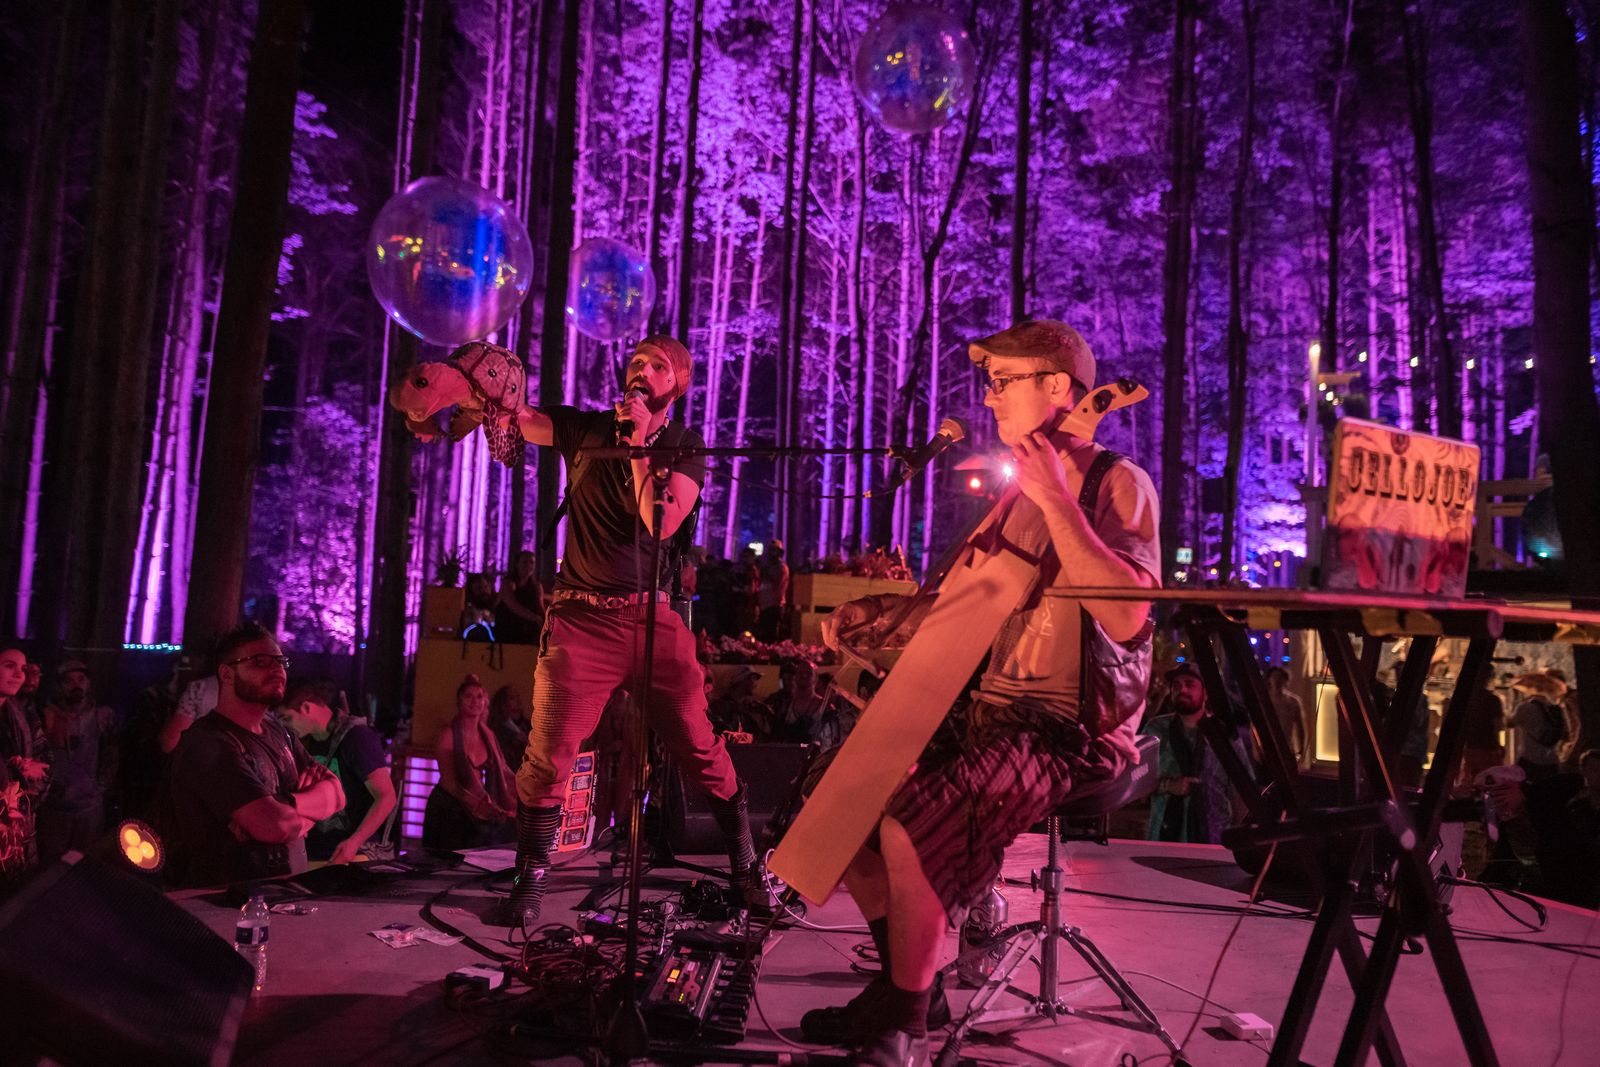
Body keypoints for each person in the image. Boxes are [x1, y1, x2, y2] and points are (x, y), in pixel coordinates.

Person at [811, 319, 1160, 1064]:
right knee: (838, 797)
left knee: (917, 817)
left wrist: (1059, 500)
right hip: (992, 712)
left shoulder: (1115, 482)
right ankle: (909, 984)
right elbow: (964, 608)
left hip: (1069, 730)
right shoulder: (1014, 495)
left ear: (1058, 389)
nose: (990, 397)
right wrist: (881, 614)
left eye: (1004, 381)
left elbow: (1129, 613)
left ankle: (904, 1026)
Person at [504, 335, 764, 927]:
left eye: (657, 365)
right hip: (580, 621)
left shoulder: (683, 445)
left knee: (701, 749)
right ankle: (530, 875)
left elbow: (660, 520)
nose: (641, 369)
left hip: (652, 619)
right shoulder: (585, 429)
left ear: (678, 384)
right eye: (635, 361)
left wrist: (641, 442)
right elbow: (521, 420)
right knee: (549, 757)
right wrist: (473, 392)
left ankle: (746, 863)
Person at [161, 623, 344, 887]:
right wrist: (308, 811)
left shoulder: (281, 733)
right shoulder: (209, 743)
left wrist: (286, 805)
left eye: (280, 662)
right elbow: (274, 825)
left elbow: (336, 794)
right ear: (226, 674)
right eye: (260, 662)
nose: (277, 670)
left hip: (286, 896)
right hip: (226, 901)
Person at [278, 678, 396, 864]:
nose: (285, 726)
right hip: (317, 849)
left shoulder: (357, 737)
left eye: (287, 718)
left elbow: (387, 796)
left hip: (359, 849)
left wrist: (354, 842)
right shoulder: (304, 743)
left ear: (306, 707)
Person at [1140, 663, 1249, 844]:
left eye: (1189, 684)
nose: (1182, 690)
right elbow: (1135, 782)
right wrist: (1168, 786)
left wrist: (1238, 840)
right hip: (1163, 840)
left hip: (1214, 840)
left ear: (1205, 693)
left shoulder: (1224, 734)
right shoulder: (1155, 730)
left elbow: (1240, 791)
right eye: (1176, 685)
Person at [422, 675, 517, 850]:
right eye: (468, 696)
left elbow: (503, 771)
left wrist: (525, 788)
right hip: (449, 809)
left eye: (479, 696)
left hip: (477, 812)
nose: (475, 702)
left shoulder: (487, 734)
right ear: (459, 701)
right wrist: (479, 805)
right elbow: (450, 783)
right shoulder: (448, 735)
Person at [38, 661, 118, 863]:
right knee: (51, 865)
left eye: (81, 679)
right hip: (55, 808)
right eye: (69, 681)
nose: (76, 685)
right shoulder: (46, 716)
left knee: (86, 863)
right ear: (59, 686)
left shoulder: (101, 717)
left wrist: (100, 787)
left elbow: (112, 753)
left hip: (89, 807)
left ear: (88, 684)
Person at [1, 648, 48, 884]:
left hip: (18, 826)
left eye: (23, 669)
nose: (20, 675)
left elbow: (45, 763)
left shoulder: (25, 716)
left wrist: (29, 787)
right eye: (10, 666)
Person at [1510, 670, 1568, 782]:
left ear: (1530, 689)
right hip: (1551, 760)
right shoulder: (1556, 709)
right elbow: (1565, 732)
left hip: (1529, 759)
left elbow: (1509, 723)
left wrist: (1515, 701)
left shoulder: (1525, 708)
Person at [769, 658, 826, 744]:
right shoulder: (785, 705)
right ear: (795, 677)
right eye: (800, 673)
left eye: (808, 673)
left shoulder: (825, 706)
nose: (804, 676)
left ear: (816, 678)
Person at [496, 550, 546, 645]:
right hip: (508, 626)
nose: (528, 566)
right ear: (517, 564)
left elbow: (540, 607)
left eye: (532, 562)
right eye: (525, 562)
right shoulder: (508, 583)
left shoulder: (537, 586)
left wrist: (546, 621)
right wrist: (535, 618)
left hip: (529, 628)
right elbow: (512, 605)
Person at [1264, 666, 1306, 764]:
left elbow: (1300, 728)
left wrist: (1301, 749)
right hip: (1267, 748)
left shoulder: (1293, 701)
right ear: (1269, 679)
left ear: (1285, 680)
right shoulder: (1264, 700)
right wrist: (1256, 749)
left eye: (1279, 677)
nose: (1277, 680)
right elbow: (1253, 726)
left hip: (1287, 748)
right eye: (1274, 677)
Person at [756, 539, 791, 641]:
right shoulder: (768, 567)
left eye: (774, 550)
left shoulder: (782, 568)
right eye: (770, 550)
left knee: (772, 635)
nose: (771, 553)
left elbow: (777, 584)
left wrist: (765, 571)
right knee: (763, 636)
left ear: (780, 553)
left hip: (775, 605)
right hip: (764, 606)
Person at [489, 684, 529, 770]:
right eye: (512, 698)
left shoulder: (528, 725)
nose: (518, 701)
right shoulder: (495, 730)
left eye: (518, 697)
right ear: (503, 704)